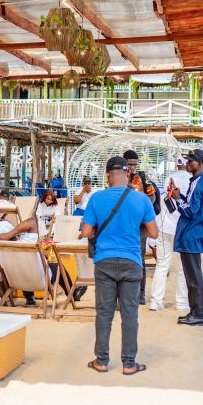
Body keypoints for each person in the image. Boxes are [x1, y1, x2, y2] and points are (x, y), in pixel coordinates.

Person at [82, 156, 158, 375]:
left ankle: (101, 361)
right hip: (132, 261)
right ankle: (129, 364)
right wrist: (136, 227)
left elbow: (86, 232)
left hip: (104, 261)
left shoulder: (96, 198)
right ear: (128, 174)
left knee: (104, 313)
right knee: (130, 314)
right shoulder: (141, 199)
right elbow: (153, 233)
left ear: (107, 175)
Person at [168, 149, 203, 326]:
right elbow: (192, 205)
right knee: (192, 276)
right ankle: (196, 312)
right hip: (193, 234)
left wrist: (177, 199)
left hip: (191, 234)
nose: (187, 163)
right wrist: (180, 196)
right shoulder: (199, 182)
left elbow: (191, 211)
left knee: (193, 277)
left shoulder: (199, 183)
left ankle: (199, 314)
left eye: (190, 161)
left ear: (199, 163)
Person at [149, 157, 190, 312]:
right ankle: (181, 303)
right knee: (183, 267)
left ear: (177, 165)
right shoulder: (193, 180)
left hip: (165, 227)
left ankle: (156, 302)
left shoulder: (169, 178)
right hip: (183, 229)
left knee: (162, 265)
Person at [123, 149, 159, 305]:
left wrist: (142, 206)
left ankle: (141, 294)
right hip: (121, 224)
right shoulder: (117, 177)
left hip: (139, 225)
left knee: (139, 259)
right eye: (129, 164)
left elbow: (152, 195)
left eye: (134, 165)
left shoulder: (142, 177)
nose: (132, 167)